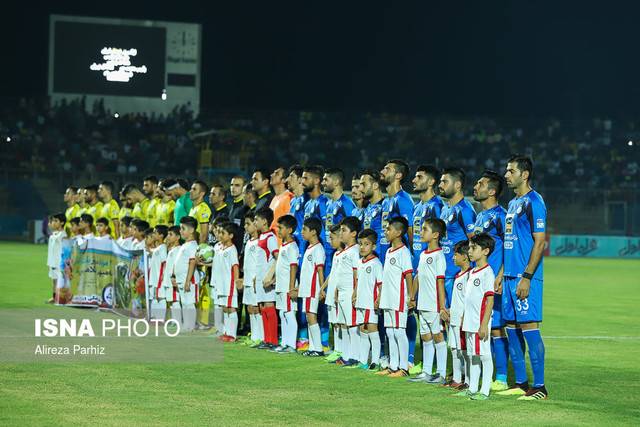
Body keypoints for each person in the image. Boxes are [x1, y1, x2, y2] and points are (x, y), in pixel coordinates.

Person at [499, 155, 548, 400]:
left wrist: (527, 276)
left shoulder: (534, 201)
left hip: (524, 276)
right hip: (508, 277)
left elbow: (540, 243)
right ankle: (521, 383)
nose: (506, 175)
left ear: (524, 174)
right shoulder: (512, 203)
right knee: (511, 328)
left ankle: (539, 387)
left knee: (529, 328)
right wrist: (501, 274)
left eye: (511, 171)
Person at [472, 170, 509, 391]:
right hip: (478, 279)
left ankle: (502, 377)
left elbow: (509, 247)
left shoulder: (501, 216)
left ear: (492, 191)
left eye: (481, 183)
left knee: (496, 328)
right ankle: (487, 371)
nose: (476, 186)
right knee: (481, 326)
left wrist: (501, 274)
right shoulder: (480, 216)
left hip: (493, 280)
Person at [408, 218, 447, 384]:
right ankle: (426, 371)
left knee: (438, 336)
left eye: (425, 229)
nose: (420, 232)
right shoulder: (423, 254)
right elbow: (417, 277)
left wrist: (442, 306)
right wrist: (412, 297)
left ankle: (441, 373)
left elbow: (440, 282)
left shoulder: (438, 256)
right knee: (425, 337)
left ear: (436, 235)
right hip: (422, 304)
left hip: (433, 305)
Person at [456, 233, 495, 401]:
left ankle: (485, 390)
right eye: (470, 248)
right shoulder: (472, 273)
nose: (470, 251)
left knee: (484, 355)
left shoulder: (487, 273)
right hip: (469, 321)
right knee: (473, 355)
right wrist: (464, 316)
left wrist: (484, 324)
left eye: (474, 248)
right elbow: (468, 298)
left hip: (480, 322)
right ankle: (472, 388)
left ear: (485, 251)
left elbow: (490, 299)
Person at [376, 217, 414, 378]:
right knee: (390, 332)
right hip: (388, 297)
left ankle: (404, 367)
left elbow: (408, 275)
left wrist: (411, 296)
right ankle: (393, 365)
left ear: (398, 232)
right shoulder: (389, 251)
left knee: (399, 332)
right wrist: (380, 296)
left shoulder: (403, 252)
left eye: (388, 229)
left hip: (399, 298)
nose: (385, 231)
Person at [439, 167, 476, 308]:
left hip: (458, 275)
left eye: (445, 182)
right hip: (444, 273)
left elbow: (474, 242)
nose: (440, 185)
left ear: (457, 185)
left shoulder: (465, 210)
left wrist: (468, 273)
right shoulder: (445, 209)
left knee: (458, 322)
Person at [353, 228, 383, 370]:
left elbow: (380, 284)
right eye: (361, 244)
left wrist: (378, 300)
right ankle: (363, 360)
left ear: (373, 246)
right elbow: (357, 281)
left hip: (371, 303)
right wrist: (354, 294)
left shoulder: (376, 263)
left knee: (372, 329)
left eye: (366, 244)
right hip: (361, 301)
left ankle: (375, 361)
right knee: (362, 330)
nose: (363, 247)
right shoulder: (360, 262)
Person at [333, 216, 361, 367]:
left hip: (350, 292)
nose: (341, 233)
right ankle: (345, 355)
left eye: (344, 230)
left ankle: (355, 356)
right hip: (342, 293)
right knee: (343, 324)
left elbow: (357, 274)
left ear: (353, 234)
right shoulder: (345, 251)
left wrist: (355, 292)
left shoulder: (355, 251)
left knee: (352, 325)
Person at [298, 217, 326, 357]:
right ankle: (313, 347)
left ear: (314, 232)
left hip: (312, 289)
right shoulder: (309, 247)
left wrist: (321, 289)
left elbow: (320, 270)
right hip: (306, 288)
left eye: (304, 229)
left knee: (311, 316)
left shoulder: (318, 249)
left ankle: (318, 348)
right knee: (309, 317)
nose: (302, 232)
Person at [448, 240, 473, 390]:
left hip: (463, 320)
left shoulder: (469, 276)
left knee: (465, 352)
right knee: (454, 349)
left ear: (464, 257)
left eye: (455, 255)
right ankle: (456, 379)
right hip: (454, 319)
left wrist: (464, 316)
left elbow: (469, 299)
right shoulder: (458, 274)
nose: (452, 257)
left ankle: (468, 380)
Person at [273, 214, 299, 353]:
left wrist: (291, 287)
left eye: (281, 228)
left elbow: (293, 266)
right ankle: (285, 342)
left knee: (289, 314)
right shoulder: (283, 245)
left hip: (287, 286)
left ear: (289, 230)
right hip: (280, 285)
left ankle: (292, 345)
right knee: (283, 314)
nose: (278, 230)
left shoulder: (292, 247)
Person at [253, 207, 279, 349]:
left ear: (264, 221)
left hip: (267, 280)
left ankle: (273, 341)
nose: (255, 222)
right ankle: (266, 339)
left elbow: (277, 258)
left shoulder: (270, 238)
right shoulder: (261, 237)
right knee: (263, 308)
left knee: (269, 307)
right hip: (260, 279)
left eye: (257, 219)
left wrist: (271, 277)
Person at [379, 160, 414, 262]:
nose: (382, 171)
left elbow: (410, 232)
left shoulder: (403, 200)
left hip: (399, 260)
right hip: (385, 255)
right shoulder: (386, 202)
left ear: (398, 175)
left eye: (387, 169)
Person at [211, 222, 241, 342]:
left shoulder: (232, 250)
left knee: (231, 308)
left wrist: (237, 281)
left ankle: (232, 334)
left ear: (231, 236)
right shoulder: (219, 248)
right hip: (220, 284)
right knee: (224, 308)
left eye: (223, 233)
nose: (220, 235)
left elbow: (235, 266)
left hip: (229, 284)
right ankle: (226, 332)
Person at [411, 165, 444, 269]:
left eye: (419, 177)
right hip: (416, 263)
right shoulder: (416, 206)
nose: (414, 180)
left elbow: (442, 238)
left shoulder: (437, 206)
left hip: (431, 265)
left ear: (431, 182)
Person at [322, 168, 355, 271]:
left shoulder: (347, 204)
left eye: (326, 180)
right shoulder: (328, 203)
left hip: (341, 254)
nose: (323, 183)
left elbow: (353, 230)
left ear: (336, 182)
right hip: (327, 252)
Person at [171, 216, 200, 332]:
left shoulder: (193, 245)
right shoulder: (185, 245)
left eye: (183, 228)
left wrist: (188, 281)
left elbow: (192, 262)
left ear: (192, 230)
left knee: (189, 302)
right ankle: (186, 324)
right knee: (184, 302)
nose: (180, 231)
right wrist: (174, 276)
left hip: (189, 280)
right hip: (181, 280)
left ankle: (190, 326)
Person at [321, 224, 344, 363]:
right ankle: (337, 350)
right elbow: (332, 274)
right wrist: (322, 287)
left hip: (338, 294)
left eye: (332, 238)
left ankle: (340, 351)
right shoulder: (336, 254)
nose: (330, 241)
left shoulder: (347, 254)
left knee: (339, 323)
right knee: (334, 323)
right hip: (331, 293)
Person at [239, 211, 263, 346]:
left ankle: (260, 336)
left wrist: (256, 277)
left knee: (256, 308)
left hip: (255, 280)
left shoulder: (260, 242)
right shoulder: (249, 242)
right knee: (249, 308)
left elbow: (260, 262)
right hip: (247, 279)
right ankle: (254, 336)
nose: (245, 227)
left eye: (248, 224)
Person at [359, 170, 384, 255]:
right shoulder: (366, 209)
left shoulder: (385, 207)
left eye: (363, 184)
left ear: (375, 185)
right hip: (368, 260)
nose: (360, 189)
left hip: (382, 260)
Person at [148, 225, 169, 320]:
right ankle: (153, 317)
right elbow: (152, 252)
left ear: (161, 235)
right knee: (154, 297)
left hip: (159, 279)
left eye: (155, 232)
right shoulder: (158, 248)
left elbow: (164, 263)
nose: (153, 234)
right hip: (154, 278)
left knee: (160, 297)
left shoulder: (163, 248)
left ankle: (160, 318)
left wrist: (162, 277)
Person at [163, 225, 182, 323]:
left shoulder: (178, 250)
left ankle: (178, 321)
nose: (168, 237)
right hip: (168, 280)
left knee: (175, 300)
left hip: (173, 280)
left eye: (171, 234)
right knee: (171, 301)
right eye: (168, 234)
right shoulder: (172, 249)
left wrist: (174, 278)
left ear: (178, 237)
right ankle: (175, 320)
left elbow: (177, 266)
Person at [46, 213, 66, 303]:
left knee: (60, 280)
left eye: (56, 221)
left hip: (59, 262)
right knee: (54, 280)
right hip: (52, 262)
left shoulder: (63, 234)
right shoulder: (54, 234)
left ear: (62, 223)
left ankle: (61, 298)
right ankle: (54, 297)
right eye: (52, 221)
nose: (53, 223)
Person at [189, 180, 212, 244]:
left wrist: (199, 250)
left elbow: (204, 234)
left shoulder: (203, 209)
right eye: (191, 189)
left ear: (202, 193)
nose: (190, 191)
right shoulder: (193, 208)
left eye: (194, 189)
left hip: (196, 246)